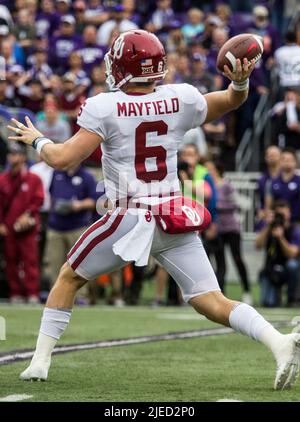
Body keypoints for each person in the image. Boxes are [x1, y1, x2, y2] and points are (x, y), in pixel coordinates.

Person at [8, 29, 300, 390]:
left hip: (130, 214)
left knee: (69, 277)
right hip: (173, 214)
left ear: (124, 66)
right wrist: (240, 84)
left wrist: (37, 140)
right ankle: (280, 342)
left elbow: (63, 158)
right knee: (211, 300)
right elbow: (229, 100)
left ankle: (38, 362)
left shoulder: (105, 106)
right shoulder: (182, 98)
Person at [0, 142, 44, 303]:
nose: (13, 157)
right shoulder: (2, 180)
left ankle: (32, 293)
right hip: (9, 227)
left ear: (23, 157)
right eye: (11, 154)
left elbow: (38, 200)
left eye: (16, 154)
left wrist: (29, 214)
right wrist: (1, 224)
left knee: (30, 261)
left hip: (28, 227)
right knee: (10, 260)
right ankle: (15, 293)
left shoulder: (33, 179)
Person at [206, 160, 252, 304]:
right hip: (217, 230)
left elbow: (243, 203)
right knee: (220, 262)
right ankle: (222, 294)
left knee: (237, 258)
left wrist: (224, 209)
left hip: (231, 229)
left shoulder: (226, 185)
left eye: (210, 169)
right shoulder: (206, 186)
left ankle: (247, 291)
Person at [256, 200, 300, 307]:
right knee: (268, 303)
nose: (281, 218)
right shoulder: (269, 228)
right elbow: (258, 245)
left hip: (288, 270)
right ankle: (276, 296)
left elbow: (293, 253)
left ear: (289, 214)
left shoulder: (294, 229)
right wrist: (268, 226)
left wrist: (281, 238)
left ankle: (291, 298)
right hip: (272, 269)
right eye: (278, 215)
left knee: (293, 265)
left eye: (283, 214)